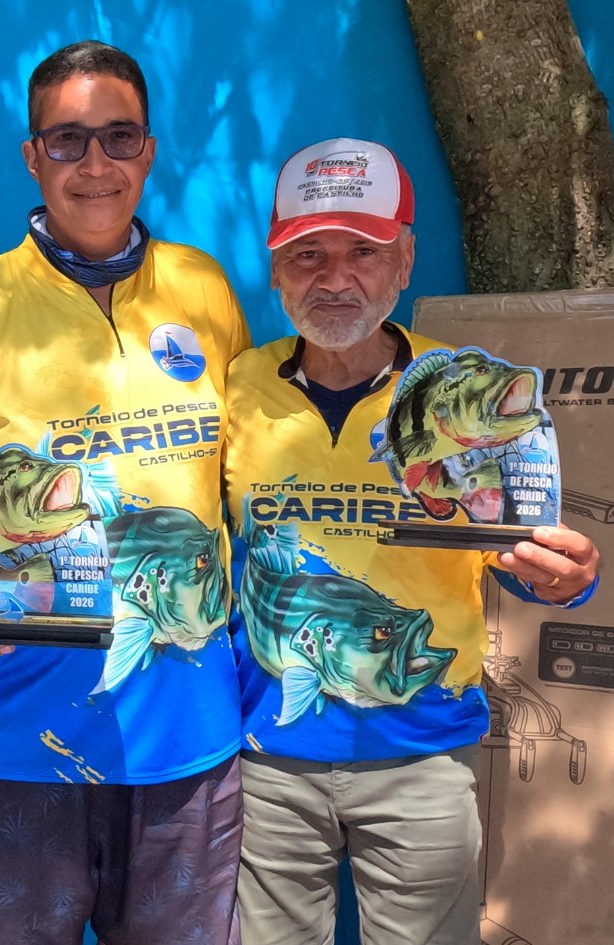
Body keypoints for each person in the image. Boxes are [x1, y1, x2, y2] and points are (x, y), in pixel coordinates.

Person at [0, 40, 251, 945]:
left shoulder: (203, 292)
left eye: (119, 137)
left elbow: (245, 484)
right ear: (32, 157)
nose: (96, 163)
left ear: (148, 150)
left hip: (185, 746)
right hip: (6, 741)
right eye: (68, 140)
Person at [224, 137, 600, 945]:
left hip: (423, 754)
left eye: (363, 251)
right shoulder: (236, 388)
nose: (335, 278)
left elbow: (521, 544)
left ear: (404, 261)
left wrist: (562, 576)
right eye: (308, 254)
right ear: (276, 268)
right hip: (266, 757)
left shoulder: (466, 390)